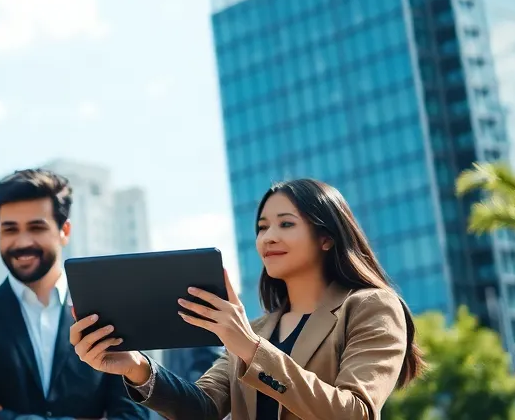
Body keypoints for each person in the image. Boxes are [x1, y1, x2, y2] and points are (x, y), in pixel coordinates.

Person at [69, 177, 424, 420]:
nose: (268, 236)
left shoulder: (371, 306)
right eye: (261, 227)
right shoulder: (256, 328)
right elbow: (204, 409)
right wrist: (136, 367)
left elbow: (355, 413)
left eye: (286, 224)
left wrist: (251, 349)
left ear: (326, 238)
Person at [0, 169, 151, 419]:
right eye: (10, 229)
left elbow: (132, 413)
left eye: (36, 227)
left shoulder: (108, 310)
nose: (22, 242)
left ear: (64, 231)